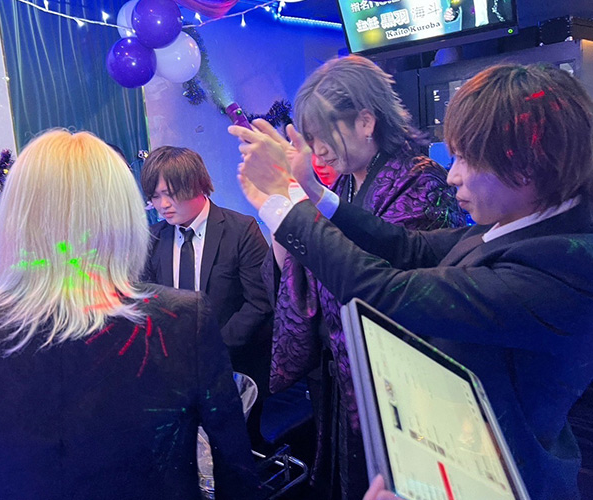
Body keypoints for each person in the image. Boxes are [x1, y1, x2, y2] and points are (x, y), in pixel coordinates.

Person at [233, 63, 593, 499]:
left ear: (525, 167)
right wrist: (311, 195)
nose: (453, 174)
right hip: (453, 442)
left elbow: (387, 292)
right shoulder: (518, 224)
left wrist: (283, 204)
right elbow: (410, 248)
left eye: (466, 159)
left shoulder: (562, 266)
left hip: (500, 474)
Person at [0, 130, 262, 500]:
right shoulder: (182, 323)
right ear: (125, 218)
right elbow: (237, 476)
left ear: (14, 217)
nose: (163, 204)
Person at [236, 55, 465, 500]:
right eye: (310, 138)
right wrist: (280, 202)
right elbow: (302, 269)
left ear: (365, 121)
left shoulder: (422, 181)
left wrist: (291, 199)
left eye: (324, 134)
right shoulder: (342, 186)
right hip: (343, 376)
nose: (317, 149)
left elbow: (384, 279)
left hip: (397, 384)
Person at [140, 146, 273, 404]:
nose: (163, 205)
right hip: (174, 371)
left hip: (235, 367)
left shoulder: (241, 230)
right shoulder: (153, 238)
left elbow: (260, 302)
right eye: (155, 197)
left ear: (196, 185)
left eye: (170, 194)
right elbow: (147, 303)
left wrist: (213, 347)